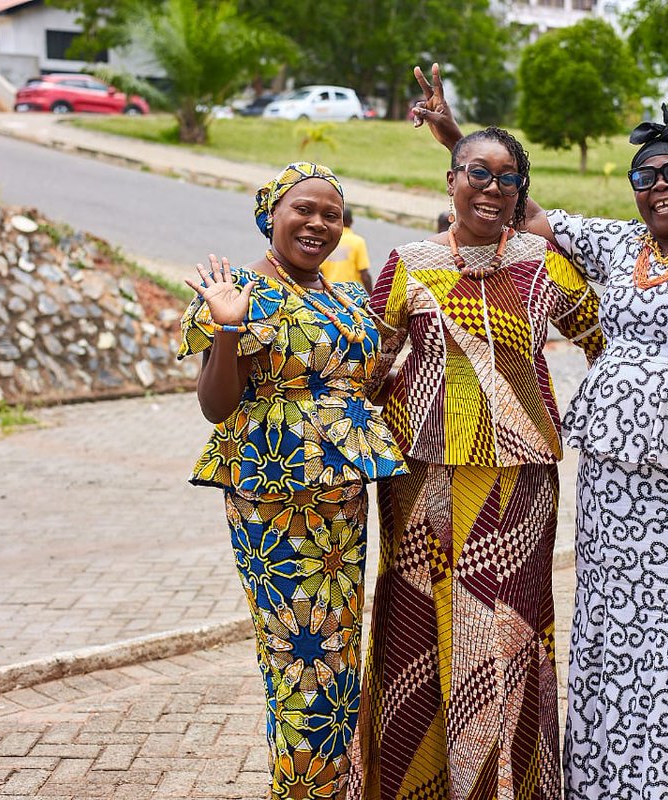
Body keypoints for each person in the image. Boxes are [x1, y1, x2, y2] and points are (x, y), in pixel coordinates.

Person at [413, 66, 668, 799]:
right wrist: (457, 139)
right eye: (643, 176)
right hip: (610, 480)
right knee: (603, 632)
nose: (659, 187)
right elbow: (519, 206)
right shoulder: (622, 245)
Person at [350, 120, 604, 798]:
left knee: (509, 629)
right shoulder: (408, 263)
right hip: (422, 479)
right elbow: (368, 366)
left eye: (507, 178)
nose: (492, 188)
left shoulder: (544, 262)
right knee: (417, 624)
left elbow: (607, 342)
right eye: (478, 174)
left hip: (521, 482)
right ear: (451, 181)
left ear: (521, 190)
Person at [177, 162, 406, 800]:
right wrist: (228, 327)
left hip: (343, 500)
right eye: (303, 209)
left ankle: (335, 788)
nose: (318, 223)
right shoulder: (239, 291)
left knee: (339, 659)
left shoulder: (347, 297)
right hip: (272, 500)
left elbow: (365, 387)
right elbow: (216, 406)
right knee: (298, 660)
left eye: (332, 214)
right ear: (271, 214)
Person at [321, 206, 374, 292]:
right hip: (351, 293)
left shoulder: (327, 240)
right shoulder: (357, 242)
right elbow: (365, 275)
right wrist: (372, 296)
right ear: (351, 221)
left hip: (330, 292)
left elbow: (319, 271)